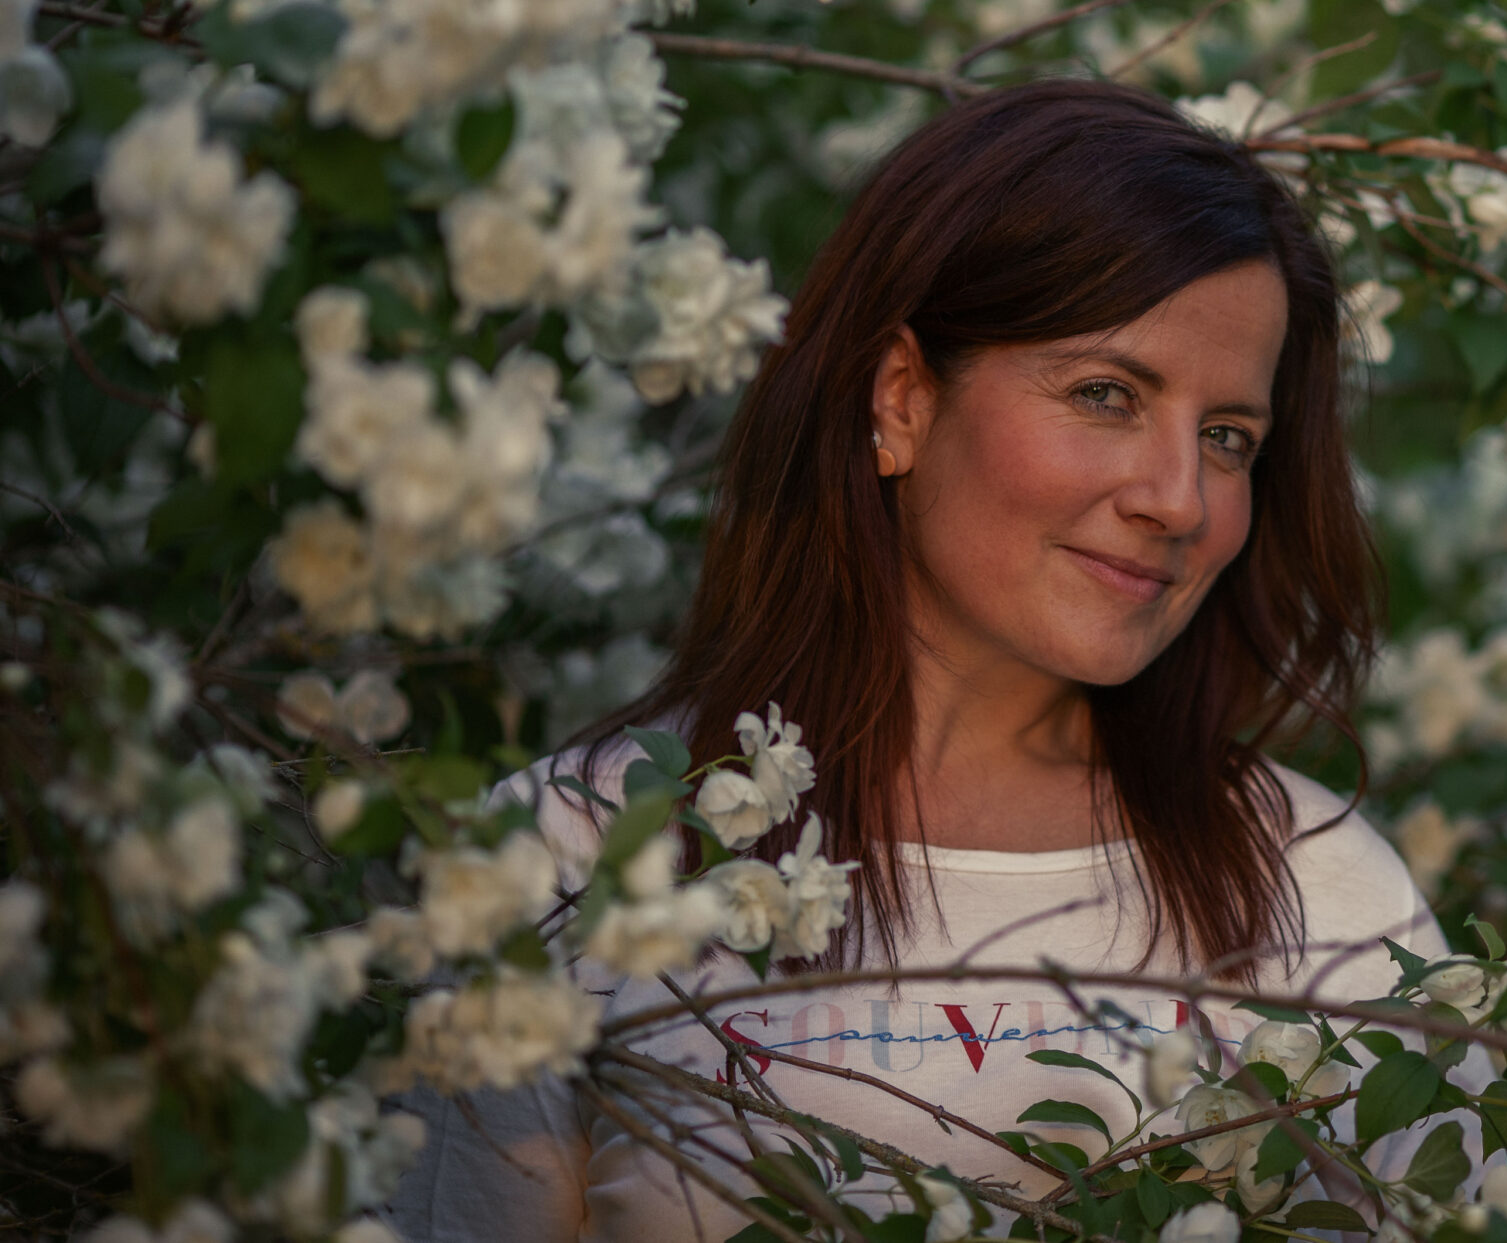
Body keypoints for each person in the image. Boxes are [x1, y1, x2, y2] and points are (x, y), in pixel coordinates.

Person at [387, 82, 1448, 1242]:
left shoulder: (1322, 891)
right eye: (1106, 394)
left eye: (1228, 438)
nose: (1177, 499)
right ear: (899, 399)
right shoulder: (566, 860)